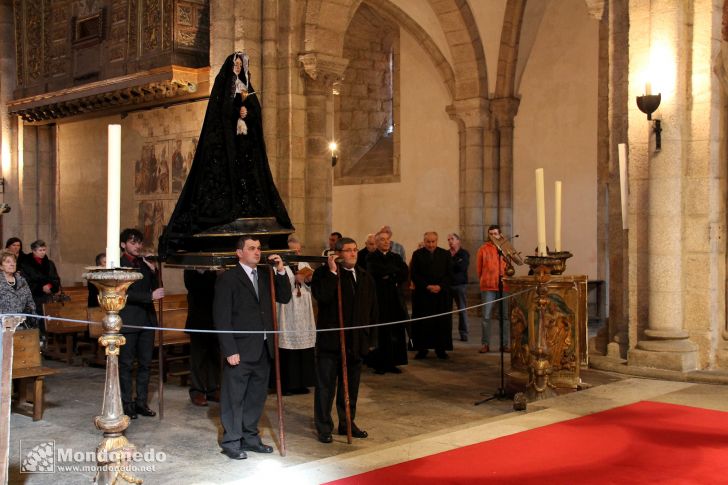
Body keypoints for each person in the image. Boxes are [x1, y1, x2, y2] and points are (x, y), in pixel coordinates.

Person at [159, 51, 293, 256]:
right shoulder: (223, 89)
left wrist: (248, 114)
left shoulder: (247, 88)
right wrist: (234, 114)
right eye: (236, 65)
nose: (238, 68)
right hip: (228, 148)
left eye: (241, 65)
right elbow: (218, 117)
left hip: (247, 146)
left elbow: (257, 114)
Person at [213, 236, 291, 460]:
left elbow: (284, 297)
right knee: (234, 397)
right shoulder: (229, 278)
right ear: (239, 253)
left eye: (259, 248)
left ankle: (250, 437)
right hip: (239, 348)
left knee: (256, 397)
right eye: (251, 248)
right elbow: (222, 317)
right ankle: (231, 441)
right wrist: (229, 350)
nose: (257, 252)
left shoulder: (266, 275)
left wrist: (281, 270)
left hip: (263, 347)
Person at [312, 237, 377, 444]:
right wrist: (332, 273)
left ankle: (347, 423)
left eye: (355, 250)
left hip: (356, 343)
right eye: (348, 250)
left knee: (351, 387)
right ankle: (324, 426)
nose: (353, 254)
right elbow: (322, 297)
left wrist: (371, 338)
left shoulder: (365, 276)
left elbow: (373, 310)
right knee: (326, 387)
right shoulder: (324, 274)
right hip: (331, 342)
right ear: (337, 254)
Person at [118, 228, 165, 419]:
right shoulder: (119, 264)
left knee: (146, 364)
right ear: (123, 245)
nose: (137, 246)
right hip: (129, 319)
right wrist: (148, 296)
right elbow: (121, 293)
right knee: (127, 364)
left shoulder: (144, 264)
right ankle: (127, 403)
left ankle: (141, 402)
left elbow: (157, 287)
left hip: (147, 320)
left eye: (139, 243)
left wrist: (154, 271)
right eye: (133, 242)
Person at [275, 236, 316, 394]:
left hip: (303, 309)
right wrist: (296, 279)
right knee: (288, 347)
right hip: (287, 309)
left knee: (304, 347)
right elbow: (280, 287)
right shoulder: (279, 265)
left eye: (299, 250)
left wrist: (309, 278)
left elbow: (311, 284)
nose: (298, 252)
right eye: (294, 250)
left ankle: (301, 382)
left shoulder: (304, 263)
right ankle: (287, 385)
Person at [366, 231, 409, 374]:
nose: (386, 242)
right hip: (378, 300)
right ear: (377, 243)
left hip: (394, 299)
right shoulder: (371, 257)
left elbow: (403, 273)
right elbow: (375, 272)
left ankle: (393, 362)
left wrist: (389, 275)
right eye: (382, 240)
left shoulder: (396, 257)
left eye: (387, 240)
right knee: (380, 332)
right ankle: (379, 363)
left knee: (394, 331)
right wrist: (392, 273)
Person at [410, 232, 454, 359]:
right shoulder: (417, 254)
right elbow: (414, 274)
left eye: (433, 241)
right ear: (424, 241)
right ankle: (421, 349)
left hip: (441, 295)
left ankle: (441, 349)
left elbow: (449, 274)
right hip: (423, 295)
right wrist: (427, 286)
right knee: (423, 322)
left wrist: (440, 286)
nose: (430, 244)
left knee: (441, 323)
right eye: (428, 242)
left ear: (437, 241)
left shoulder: (445, 254)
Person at [184, 269, 221, 406]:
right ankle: (197, 391)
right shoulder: (191, 270)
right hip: (198, 319)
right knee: (198, 358)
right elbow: (194, 286)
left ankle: (213, 389)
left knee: (215, 356)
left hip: (215, 318)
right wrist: (209, 274)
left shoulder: (214, 271)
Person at [476, 225, 510, 354]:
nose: (493, 236)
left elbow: (511, 266)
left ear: (500, 234)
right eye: (491, 234)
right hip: (488, 286)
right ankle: (485, 344)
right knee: (486, 316)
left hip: (504, 286)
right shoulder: (483, 249)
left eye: (495, 233)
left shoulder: (506, 248)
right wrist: (484, 280)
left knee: (504, 317)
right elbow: (479, 269)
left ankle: (504, 344)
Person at [20, 240, 61, 334]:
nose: (43, 252)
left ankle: (47, 340)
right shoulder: (26, 264)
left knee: (49, 321)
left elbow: (55, 278)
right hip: (34, 298)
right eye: (40, 250)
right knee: (37, 322)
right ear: (34, 251)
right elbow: (25, 282)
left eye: (44, 250)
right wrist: (40, 288)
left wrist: (51, 286)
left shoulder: (50, 263)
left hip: (48, 297)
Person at [447, 233, 470, 342]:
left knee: (462, 310)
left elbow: (461, 267)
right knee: (447, 311)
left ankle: (464, 333)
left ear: (458, 241)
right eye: (448, 239)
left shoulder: (464, 253)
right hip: (448, 285)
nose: (450, 241)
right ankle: (446, 334)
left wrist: (451, 264)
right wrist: (454, 263)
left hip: (460, 285)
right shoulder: (446, 254)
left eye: (452, 239)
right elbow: (445, 269)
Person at [0, 250, 36, 319]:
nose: (12, 264)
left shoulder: (22, 280)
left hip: (23, 324)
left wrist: (29, 313)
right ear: (1, 266)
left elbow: (30, 302)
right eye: (8, 262)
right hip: (3, 325)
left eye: (14, 261)